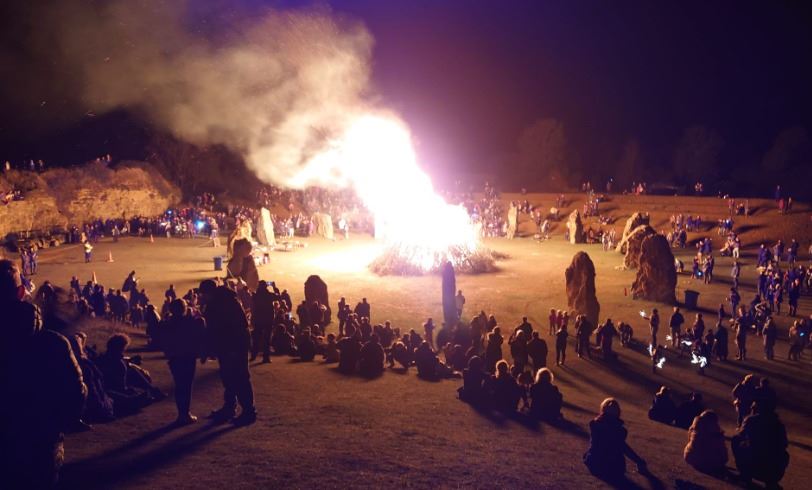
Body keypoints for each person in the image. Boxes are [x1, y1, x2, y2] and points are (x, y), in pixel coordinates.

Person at [0, 260, 87, 488]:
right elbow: (76, 395)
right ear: (21, 291)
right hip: (39, 446)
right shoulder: (53, 343)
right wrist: (55, 428)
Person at [199, 279, 256, 425]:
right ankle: (230, 407)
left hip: (234, 345)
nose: (202, 297)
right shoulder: (220, 302)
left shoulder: (224, 303)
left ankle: (248, 411)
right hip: (228, 345)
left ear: (209, 293)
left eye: (203, 294)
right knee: (228, 376)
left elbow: (231, 327)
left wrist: (231, 348)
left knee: (240, 377)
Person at [156, 298, 206, 425]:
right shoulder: (189, 322)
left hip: (174, 358)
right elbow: (200, 327)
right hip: (187, 357)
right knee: (186, 386)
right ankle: (185, 414)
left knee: (179, 385)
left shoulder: (169, 323)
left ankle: (181, 414)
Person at [583, 398, 647, 482]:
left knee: (588, 454)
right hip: (613, 469)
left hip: (594, 463)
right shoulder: (620, 431)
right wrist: (638, 460)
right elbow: (623, 447)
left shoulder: (594, 424)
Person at [732, 398, 789, 488]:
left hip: (756, 466)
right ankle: (771, 481)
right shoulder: (778, 424)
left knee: (736, 440)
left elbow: (741, 435)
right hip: (774, 470)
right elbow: (784, 444)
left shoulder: (751, 420)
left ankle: (745, 475)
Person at [683, 410, 728, 475]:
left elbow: (689, 441)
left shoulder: (694, 429)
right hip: (708, 463)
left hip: (690, 457)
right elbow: (724, 455)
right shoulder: (716, 434)